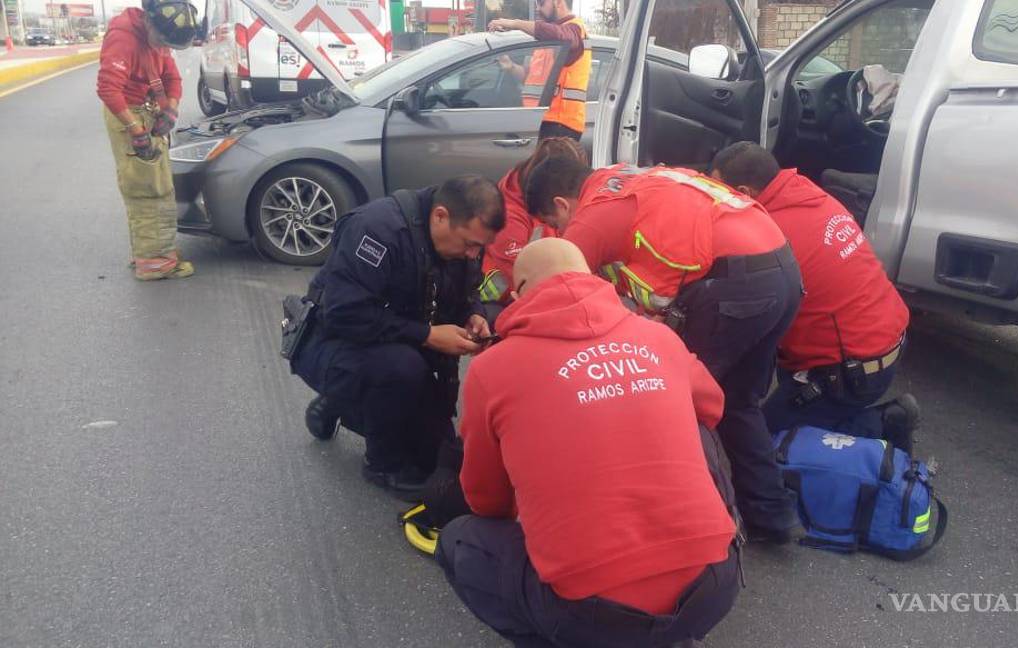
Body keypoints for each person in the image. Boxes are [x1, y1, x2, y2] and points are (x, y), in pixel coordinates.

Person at [437, 238, 741, 647]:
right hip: (715, 586)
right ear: (591, 277)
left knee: (459, 539)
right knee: (697, 423)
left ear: (520, 290)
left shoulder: (492, 369)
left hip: (586, 611)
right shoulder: (659, 337)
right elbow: (712, 406)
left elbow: (485, 500)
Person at [524, 158, 805, 544]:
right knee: (739, 400)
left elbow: (556, 301)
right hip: (782, 267)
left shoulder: (589, 219)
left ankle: (696, 523)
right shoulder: (627, 177)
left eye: (554, 223)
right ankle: (772, 514)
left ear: (560, 203)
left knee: (678, 400)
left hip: (733, 284)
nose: (559, 232)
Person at [291, 176, 505, 498]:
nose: (473, 254)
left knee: (436, 454)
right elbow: (343, 314)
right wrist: (428, 335)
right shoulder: (377, 231)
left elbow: (466, 289)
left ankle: (340, 403)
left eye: (480, 247)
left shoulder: (459, 242)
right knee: (401, 368)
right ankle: (382, 465)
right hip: (331, 341)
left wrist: (472, 314)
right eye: (468, 244)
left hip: (395, 340)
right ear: (441, 216)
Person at [709, 142, 918, 451]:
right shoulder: (804, 193)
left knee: (761, 443)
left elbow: (744, 320)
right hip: (883, 340)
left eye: (717, 191)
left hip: (853, 373)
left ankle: (884, 422)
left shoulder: (769, 234)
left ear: (746, 192)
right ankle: (819, 414)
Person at [97, 0, 198, 280]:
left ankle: (152, 253)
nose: (162, 47)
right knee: (148, 189)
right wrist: (135, 129)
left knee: (160, 185)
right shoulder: (123, 39)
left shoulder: (159, 34)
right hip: (127, 112)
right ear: (148, 21)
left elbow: (172, 78)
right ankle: (155, 264)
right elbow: (108, 88)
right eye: (161, 41)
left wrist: (171, 109)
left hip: (147, 109)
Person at [476, 137, 587, 321]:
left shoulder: (549, 198)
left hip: (543, 289)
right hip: (505, 300)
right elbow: (520, 277)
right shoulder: (509, 216)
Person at [489, 0, 592, 141]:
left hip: (561, 125)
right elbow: (531, 78)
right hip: (539, 121)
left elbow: (563, 36)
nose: (537, 8)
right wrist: (511, 66)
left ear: (558, 2)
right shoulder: (551, 37)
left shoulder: (574, 30)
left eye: (541, 2)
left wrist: (516, 24)